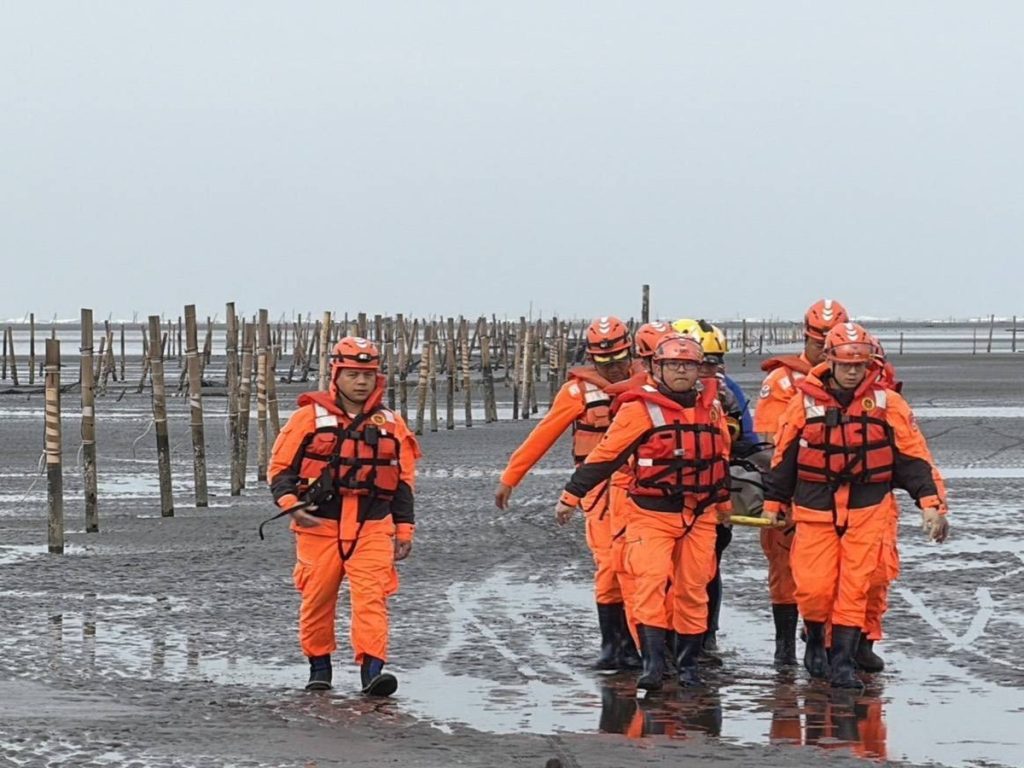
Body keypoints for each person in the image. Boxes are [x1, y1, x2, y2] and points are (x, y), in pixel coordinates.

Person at [762, 322, 949, 688]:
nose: (851, 371)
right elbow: (784, 458)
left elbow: (912, 460)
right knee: (814, 588)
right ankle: (815, 639)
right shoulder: (804, 402)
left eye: (858, 364)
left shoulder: (887, 403)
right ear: (829, 360)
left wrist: (930, 504)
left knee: (856, 585)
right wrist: (774, 502)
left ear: (869, 364)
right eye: (845, 363)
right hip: (816, 507)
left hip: (869, 507)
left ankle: (844, 662)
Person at [555, 336, 733, 690]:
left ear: (699, 370)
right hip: (651, 514)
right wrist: (571, 495)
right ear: (656, 368)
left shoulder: (711, 408)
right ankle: (653, 664)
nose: (681, 370)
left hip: (699, 515)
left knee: (693, 590)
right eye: (673, 364)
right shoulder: (639, 409)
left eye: (688, 365)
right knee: (649, 585)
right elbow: (606, 455)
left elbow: (721, 456)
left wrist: (724, 506)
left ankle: (688, 666)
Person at [268, 337, 421, 695]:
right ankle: (319, 669)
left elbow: (403, 483)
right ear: (337, 375)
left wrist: (405, 529)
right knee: (317, 599)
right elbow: (279, 469)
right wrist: (291, 503)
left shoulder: (391, 423)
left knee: (372, 598)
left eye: (367, 374)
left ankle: (373, 673)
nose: (361, 382)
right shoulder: (308, 418)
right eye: (353, 374)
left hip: (373, 526)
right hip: (320, 526)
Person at [495, 316, 646, 671]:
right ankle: (614, 646)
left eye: (619, 359)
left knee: (641, 568)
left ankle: (651, 646)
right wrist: (511, 476)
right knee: (608, 565)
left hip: (642, 490)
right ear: (592, 358)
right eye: (603, 362)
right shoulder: (577, 392)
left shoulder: (650, 382)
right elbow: (544, 435)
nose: (613, 368)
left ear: (631, 351)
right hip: (596, 492)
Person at [752, 298, 849, 666]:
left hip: (841, 496)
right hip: (793, 491)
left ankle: (828, 642)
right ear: (805, 338)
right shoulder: (781, 381)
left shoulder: (858, 377)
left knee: (841, 572)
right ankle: (784, 647)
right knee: (784, 569)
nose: (823, 351)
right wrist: (781, 493)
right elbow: (769, 443)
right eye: (817, 342)